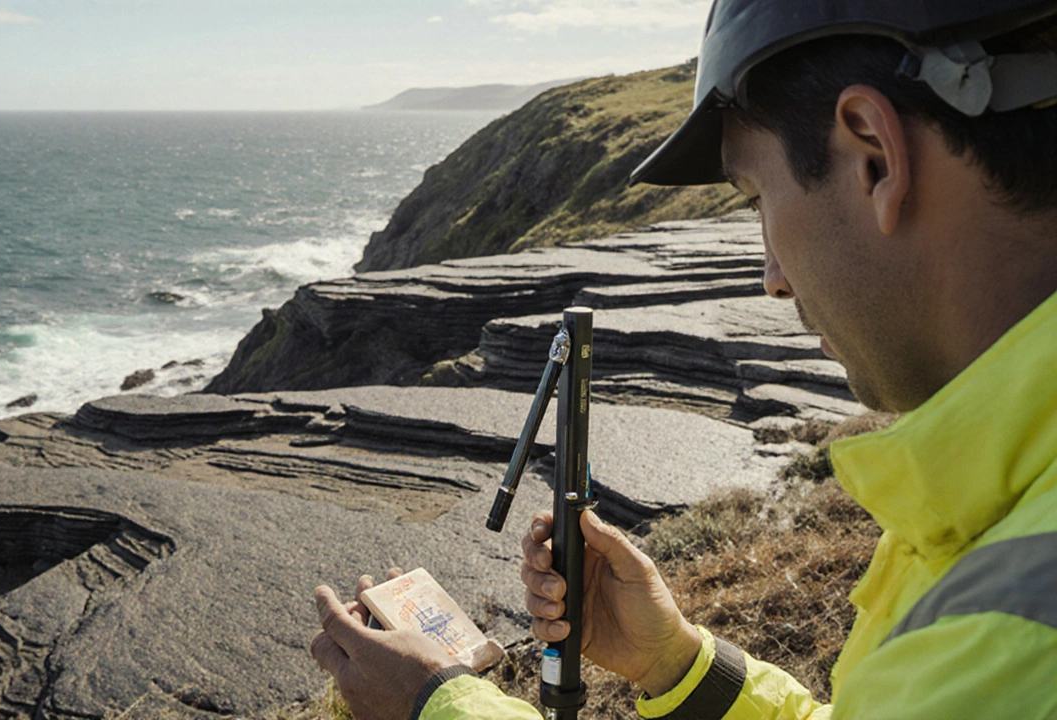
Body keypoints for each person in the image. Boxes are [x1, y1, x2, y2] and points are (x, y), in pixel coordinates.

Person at [312, 0, 1057, 717]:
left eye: (758, 197)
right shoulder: (1012, 516)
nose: (772, 277)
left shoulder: (1017, 625)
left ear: (873, 156)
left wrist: (436, 703)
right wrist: (676, 662)